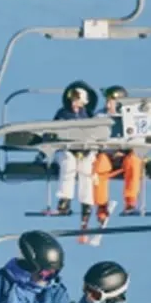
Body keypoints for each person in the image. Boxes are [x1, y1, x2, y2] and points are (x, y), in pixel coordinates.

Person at [93, 85, 144, 217]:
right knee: (100, 165)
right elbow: (94, 137)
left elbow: (139, 139)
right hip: (107, 154)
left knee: (134, 162)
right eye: (107, 100)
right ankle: (101, 205)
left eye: (112, 101)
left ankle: (130, 201)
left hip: (125, 155)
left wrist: (125, 149)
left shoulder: (132, 116)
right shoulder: (100, 116)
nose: (109, 104)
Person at [52, 80, 99, 223]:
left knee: (86, 169)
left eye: (77, 99)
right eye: (72, 99)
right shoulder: (63, 114)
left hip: (85, 150)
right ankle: (64, 200)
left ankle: (86, 204)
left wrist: (91, 149)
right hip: (66, 149)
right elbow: (53, 132)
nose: (74, 103)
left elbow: (96, 135)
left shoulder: (90, 116)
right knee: (69, 165)